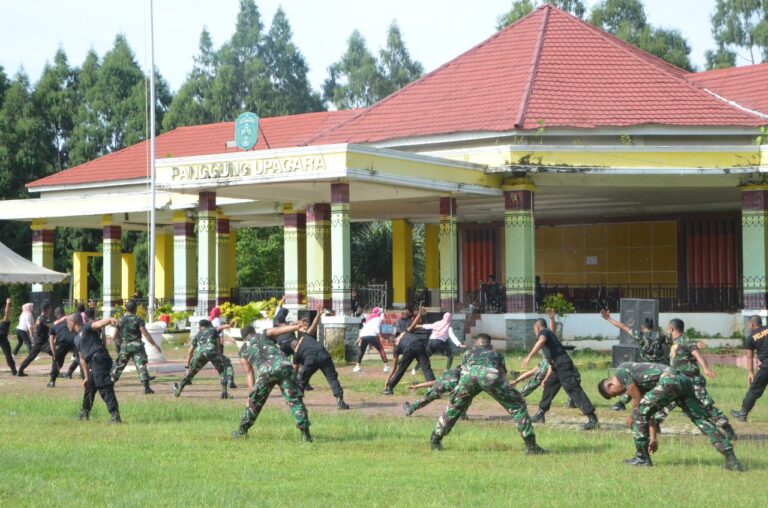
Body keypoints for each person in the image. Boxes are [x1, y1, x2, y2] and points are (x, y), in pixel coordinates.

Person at [598, 362, 742, 471]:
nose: (620, 394)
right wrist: (653, 438)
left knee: (637, 413)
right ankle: (731, 459)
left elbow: (637, 402)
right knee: (700, 419)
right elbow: (648, 411)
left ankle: (642, 458)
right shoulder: (640, 379)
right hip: (683, 380)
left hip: (669, 380)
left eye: (615, 394)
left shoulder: (621, 371)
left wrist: (631, 416)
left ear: (610, 385)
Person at [429, 333, 546, 455]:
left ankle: (435, 439)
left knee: (454, 408)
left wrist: (458, 393)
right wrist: (511, 392)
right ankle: (531, 446)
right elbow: (502, 375)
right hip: (490, 377)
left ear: (475, 344)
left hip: (468, 378)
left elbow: (463, 372)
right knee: (518, 406)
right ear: (490, 345)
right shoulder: (496, 354)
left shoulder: (467, 353)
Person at [232, 324, 312, 442]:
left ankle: (242, 431)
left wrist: (252, 394)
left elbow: (249, 372)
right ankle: (306, 434)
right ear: (254, 332)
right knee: (295, 400)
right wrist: (296, 327)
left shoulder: (242, 350)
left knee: (255, 403)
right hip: (284, 365)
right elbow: (278, 330)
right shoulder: (262, 334)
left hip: (266, 371)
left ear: (244, 338)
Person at [522, 308, 598, 430]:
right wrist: (552, 319)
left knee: (573, 389)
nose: (534, 332)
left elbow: (542, 340)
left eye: (534, 329)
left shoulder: (542, 332)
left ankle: (592, 418)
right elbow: (552, 330)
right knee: (549, 386)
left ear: (537, 327)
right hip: (556, 367)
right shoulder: (548, 332)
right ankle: (540, 414)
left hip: (562, 365)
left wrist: (529, 356)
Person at [665, 318, 735, 439]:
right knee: (665, 401)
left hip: (692, 381)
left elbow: (697, 355)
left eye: (667, 329)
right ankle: (654, 424)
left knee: (705, 405)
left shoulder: (685, 340)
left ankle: (726, 428)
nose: (666, 331)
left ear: (671, 329)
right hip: (678, 380)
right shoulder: (675, 342)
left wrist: (706, 369)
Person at [601, 309, 669, 411]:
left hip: (645, 369)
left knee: (634, 385)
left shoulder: (639, 335)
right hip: (660, 368)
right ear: (653, 327)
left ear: (642, 327)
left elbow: (622, 326)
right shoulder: (660, 336)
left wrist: (608, 318)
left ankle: (621, 404)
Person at [290, 309, 350, 410]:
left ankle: (297, 401)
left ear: (294, 347)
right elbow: (314, 325)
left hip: (310, 360)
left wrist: (293, 381)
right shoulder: (305, 336)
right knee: (332, 378)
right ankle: (340, 401)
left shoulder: (296, 353)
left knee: (302, 379)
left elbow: (294, 371)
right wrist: (318, 315)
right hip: (324, 356)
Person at [71, 313, 122, 423]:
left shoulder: (86, 328)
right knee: (90, 387)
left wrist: (110, 319)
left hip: (100, 358)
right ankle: (84, 413)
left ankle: (115, 415)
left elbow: (98, 324)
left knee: (103, 386)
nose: (67, 325)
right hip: (93, 363)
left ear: (73, 322)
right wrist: (86, 377)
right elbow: (82, 359)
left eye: (67, 323)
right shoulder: (76, 339)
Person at [110, 300, 162, 394]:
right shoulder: (138, 319)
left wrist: (121, 343)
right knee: (141, 365)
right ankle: (146, 388)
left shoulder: (120, 320)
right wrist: (155, 344)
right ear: (135, 309)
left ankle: (110, 385)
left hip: (126, 345)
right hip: (137, 345)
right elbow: (145, 334)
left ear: (126, 309)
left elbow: (114, 336)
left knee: (119, 365)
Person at [172, 319, 234, 399]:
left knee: (191, 373)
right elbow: (218, 346)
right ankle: (224, 393)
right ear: (209, 325)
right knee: (223, 368)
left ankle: (178, 390)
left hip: (199, 353)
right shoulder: (213, 330)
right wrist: (219, 357)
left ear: (201, 327)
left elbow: (190, 352)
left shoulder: (198, 334)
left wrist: (187, 365)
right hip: (212, 351)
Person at [383, 307, 435, 395]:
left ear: (393, 342)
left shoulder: (395, 346)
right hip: (419, 344)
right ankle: (433, 388)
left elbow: (394, 367)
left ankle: (390, 388)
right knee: (426, 367)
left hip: (409, 348)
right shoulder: (404, 333)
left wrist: (388, 379)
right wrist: (419, 314)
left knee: (401, 368)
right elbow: (412, 326)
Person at [732, 315, 768, 422]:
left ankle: (742, 414)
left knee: (754, 390)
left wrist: (750, 372)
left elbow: (749, 357)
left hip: (766, 367)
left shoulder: (751, 337)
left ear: (751, 324)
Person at [16, 302, 53, 376]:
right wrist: (59, 324)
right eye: (50, 308)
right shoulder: (43, 318)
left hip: (39, 341)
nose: (51, 309)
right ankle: (55, 372)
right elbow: (49, 325)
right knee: (56, 354)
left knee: (31, 356)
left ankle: (20, 370)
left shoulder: (40, 317)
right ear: (47, 309)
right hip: (42, 342)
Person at [353, 307, 389, 373]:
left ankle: (357, 366)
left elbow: (364, 328)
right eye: (381, 312)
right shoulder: (378, 319)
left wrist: (359, 338)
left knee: (362, 350)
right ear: (379, 313)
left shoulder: (368, 318)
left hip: (364, 335)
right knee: (380, 349)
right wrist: (381, 337)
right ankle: (386, 366)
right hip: (372, 335)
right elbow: (376, 327)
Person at [48, 310, 77, 387]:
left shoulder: (53, 326)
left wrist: (54, 354)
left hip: (62, 342)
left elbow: (51, 341)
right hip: (73, 340)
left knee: (56, 360)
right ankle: (86, 378)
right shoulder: (70, 323)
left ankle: (52, 381)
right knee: (80, 358)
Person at [0, 298, 17, 375]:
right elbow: (7, 313)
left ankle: (13, 370)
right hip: (3, 338)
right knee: (8, 354)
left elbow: (6, 313)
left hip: (3, 338)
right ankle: (13, 370)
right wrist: (8, 303)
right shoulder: (5, 322)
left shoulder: (4, 322)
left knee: (8, 355)